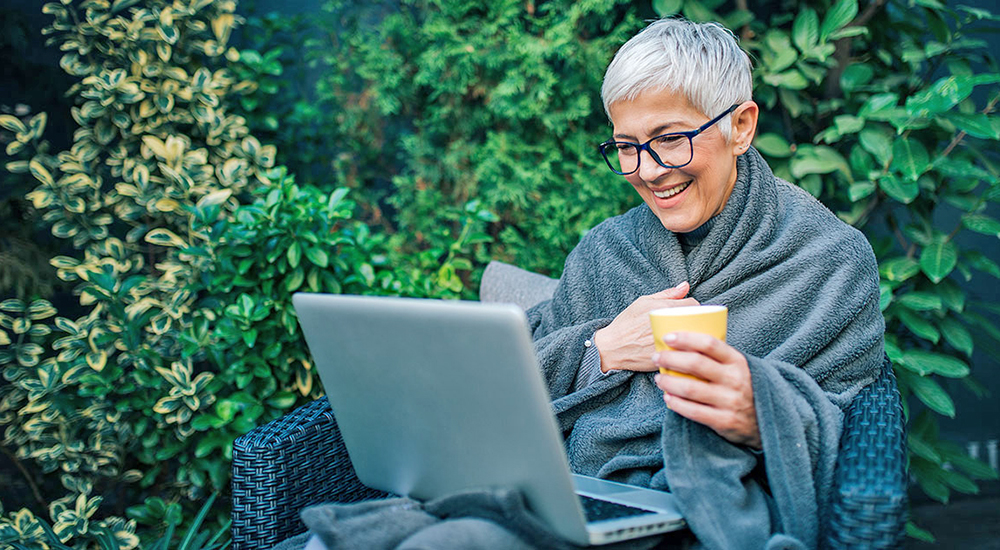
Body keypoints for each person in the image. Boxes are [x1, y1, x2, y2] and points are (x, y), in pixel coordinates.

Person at [527, 17, 885, 549]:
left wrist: (762, 412)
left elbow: (859, 432)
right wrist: (601, 350)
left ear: (740, 126)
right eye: (626, 146)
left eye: (670, 139)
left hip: (715, 522)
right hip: (569, 505)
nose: (647, 171)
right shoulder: (605, 252)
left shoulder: (828, 260)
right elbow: (514, 379)